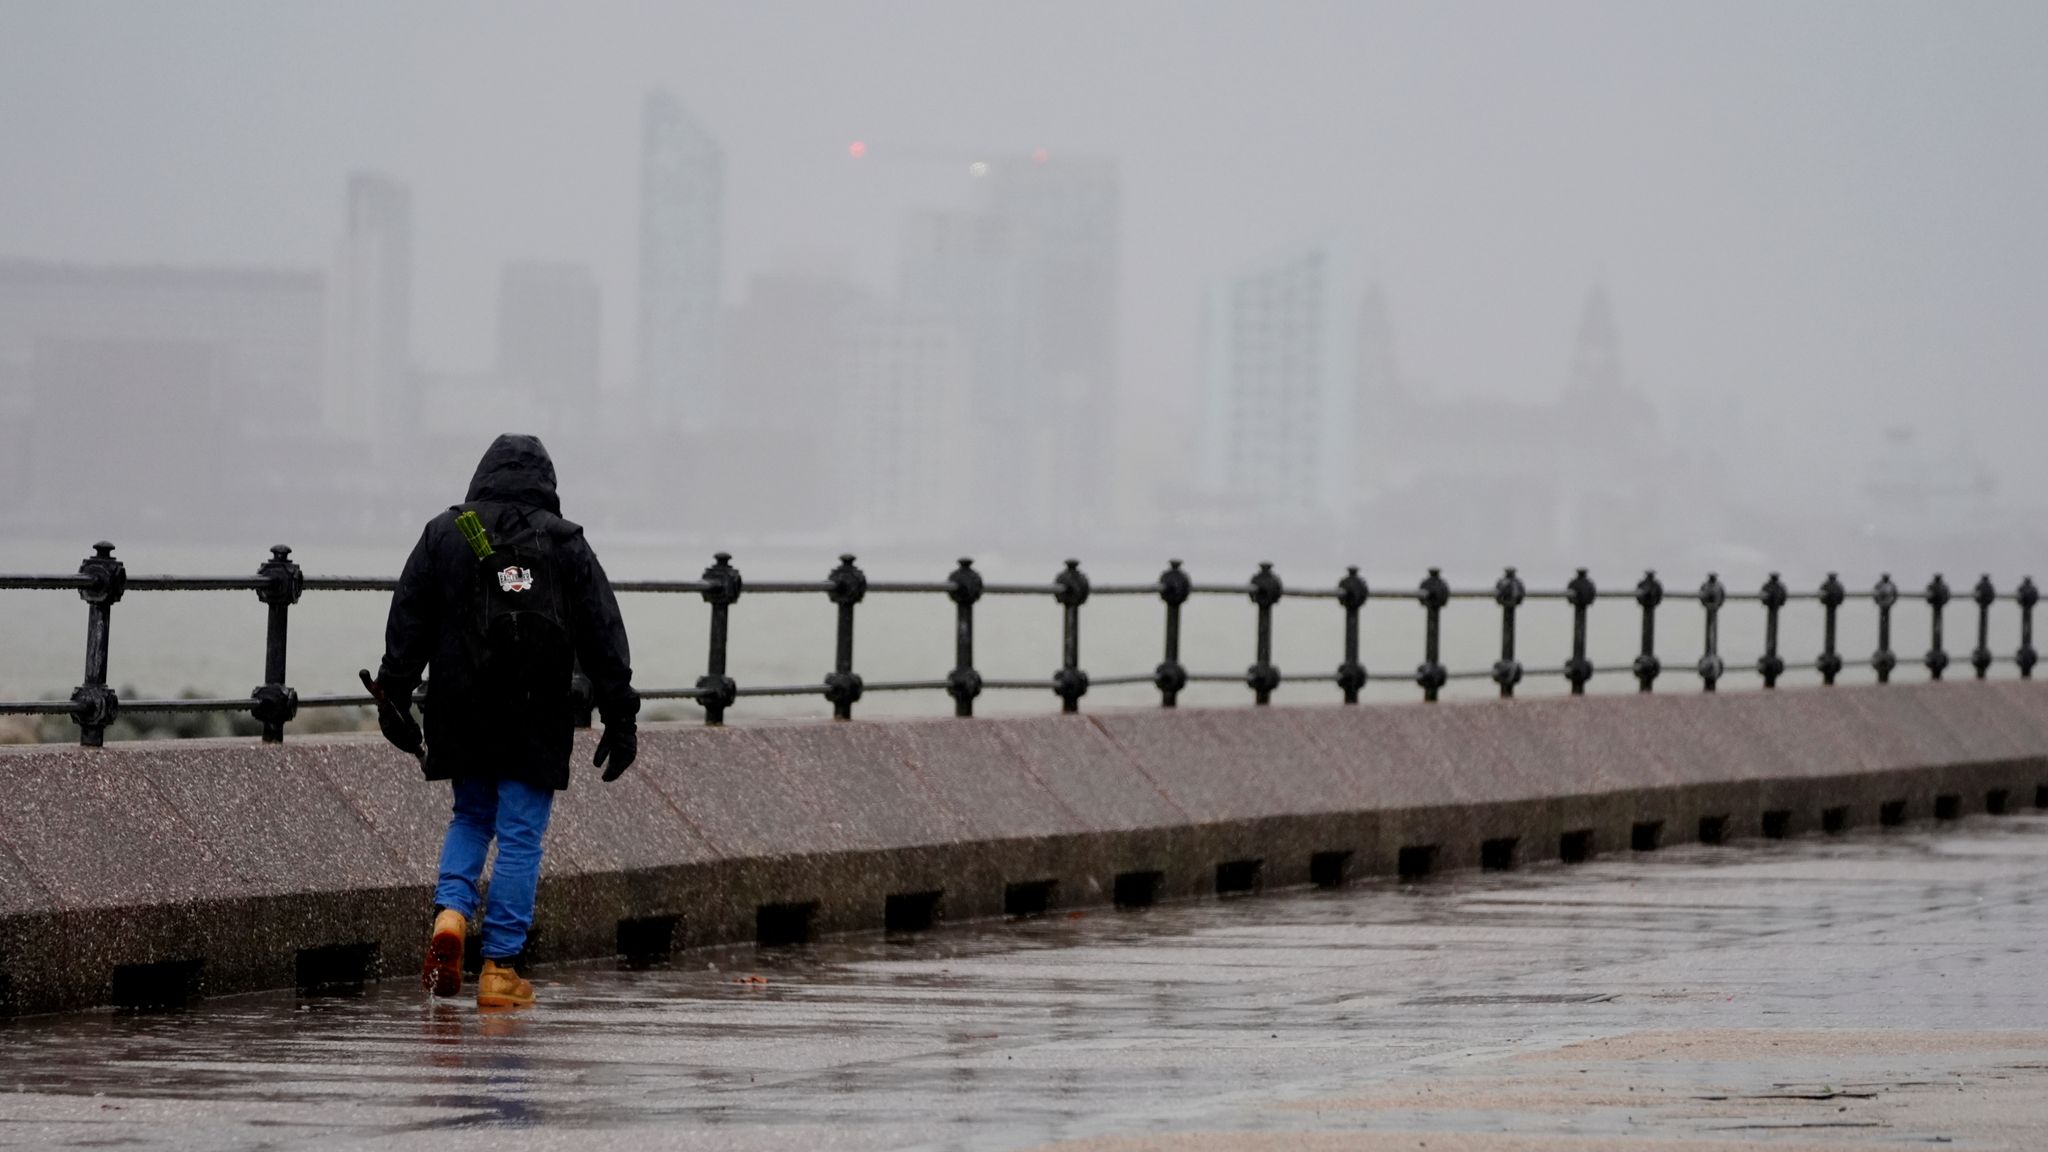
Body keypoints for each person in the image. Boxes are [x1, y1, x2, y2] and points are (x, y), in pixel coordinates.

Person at [370, 434, 638, 1009]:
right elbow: (602, 633)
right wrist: (621, 715)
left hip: (460, 705)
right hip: (536, 708)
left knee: (470, 816)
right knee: (520, 835)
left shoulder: (445, 534)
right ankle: (500, 969)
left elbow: (409, 617)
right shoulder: (565, 543)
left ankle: (451, 914)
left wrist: (392, 691)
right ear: (547, 482)